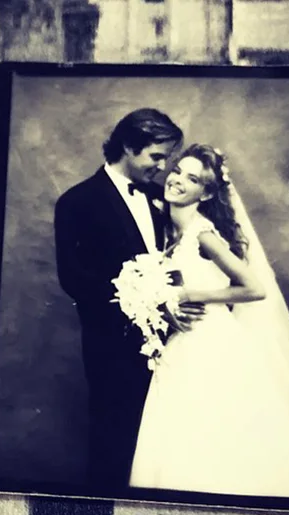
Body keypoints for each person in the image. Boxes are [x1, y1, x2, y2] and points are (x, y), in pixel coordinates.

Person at [129, 144, 289, 497]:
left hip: (212, 345)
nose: (178, 180)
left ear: (208, 192)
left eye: (193, 178)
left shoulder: (203, 235)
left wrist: (189, 296)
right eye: (178, 170)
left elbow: (253, 288)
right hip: (181, 347)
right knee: (180, 435)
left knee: (215, 431)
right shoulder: (169, 232)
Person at [54, 108, 195, 490]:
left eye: (167, 158)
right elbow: (74, 279)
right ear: (129, 147)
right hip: (112, 347)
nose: (165, 167)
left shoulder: (159, 197)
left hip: (173, 343)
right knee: (115, 442)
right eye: (157, 157)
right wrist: (141, 299)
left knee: (164, 444)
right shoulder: (77, 202)